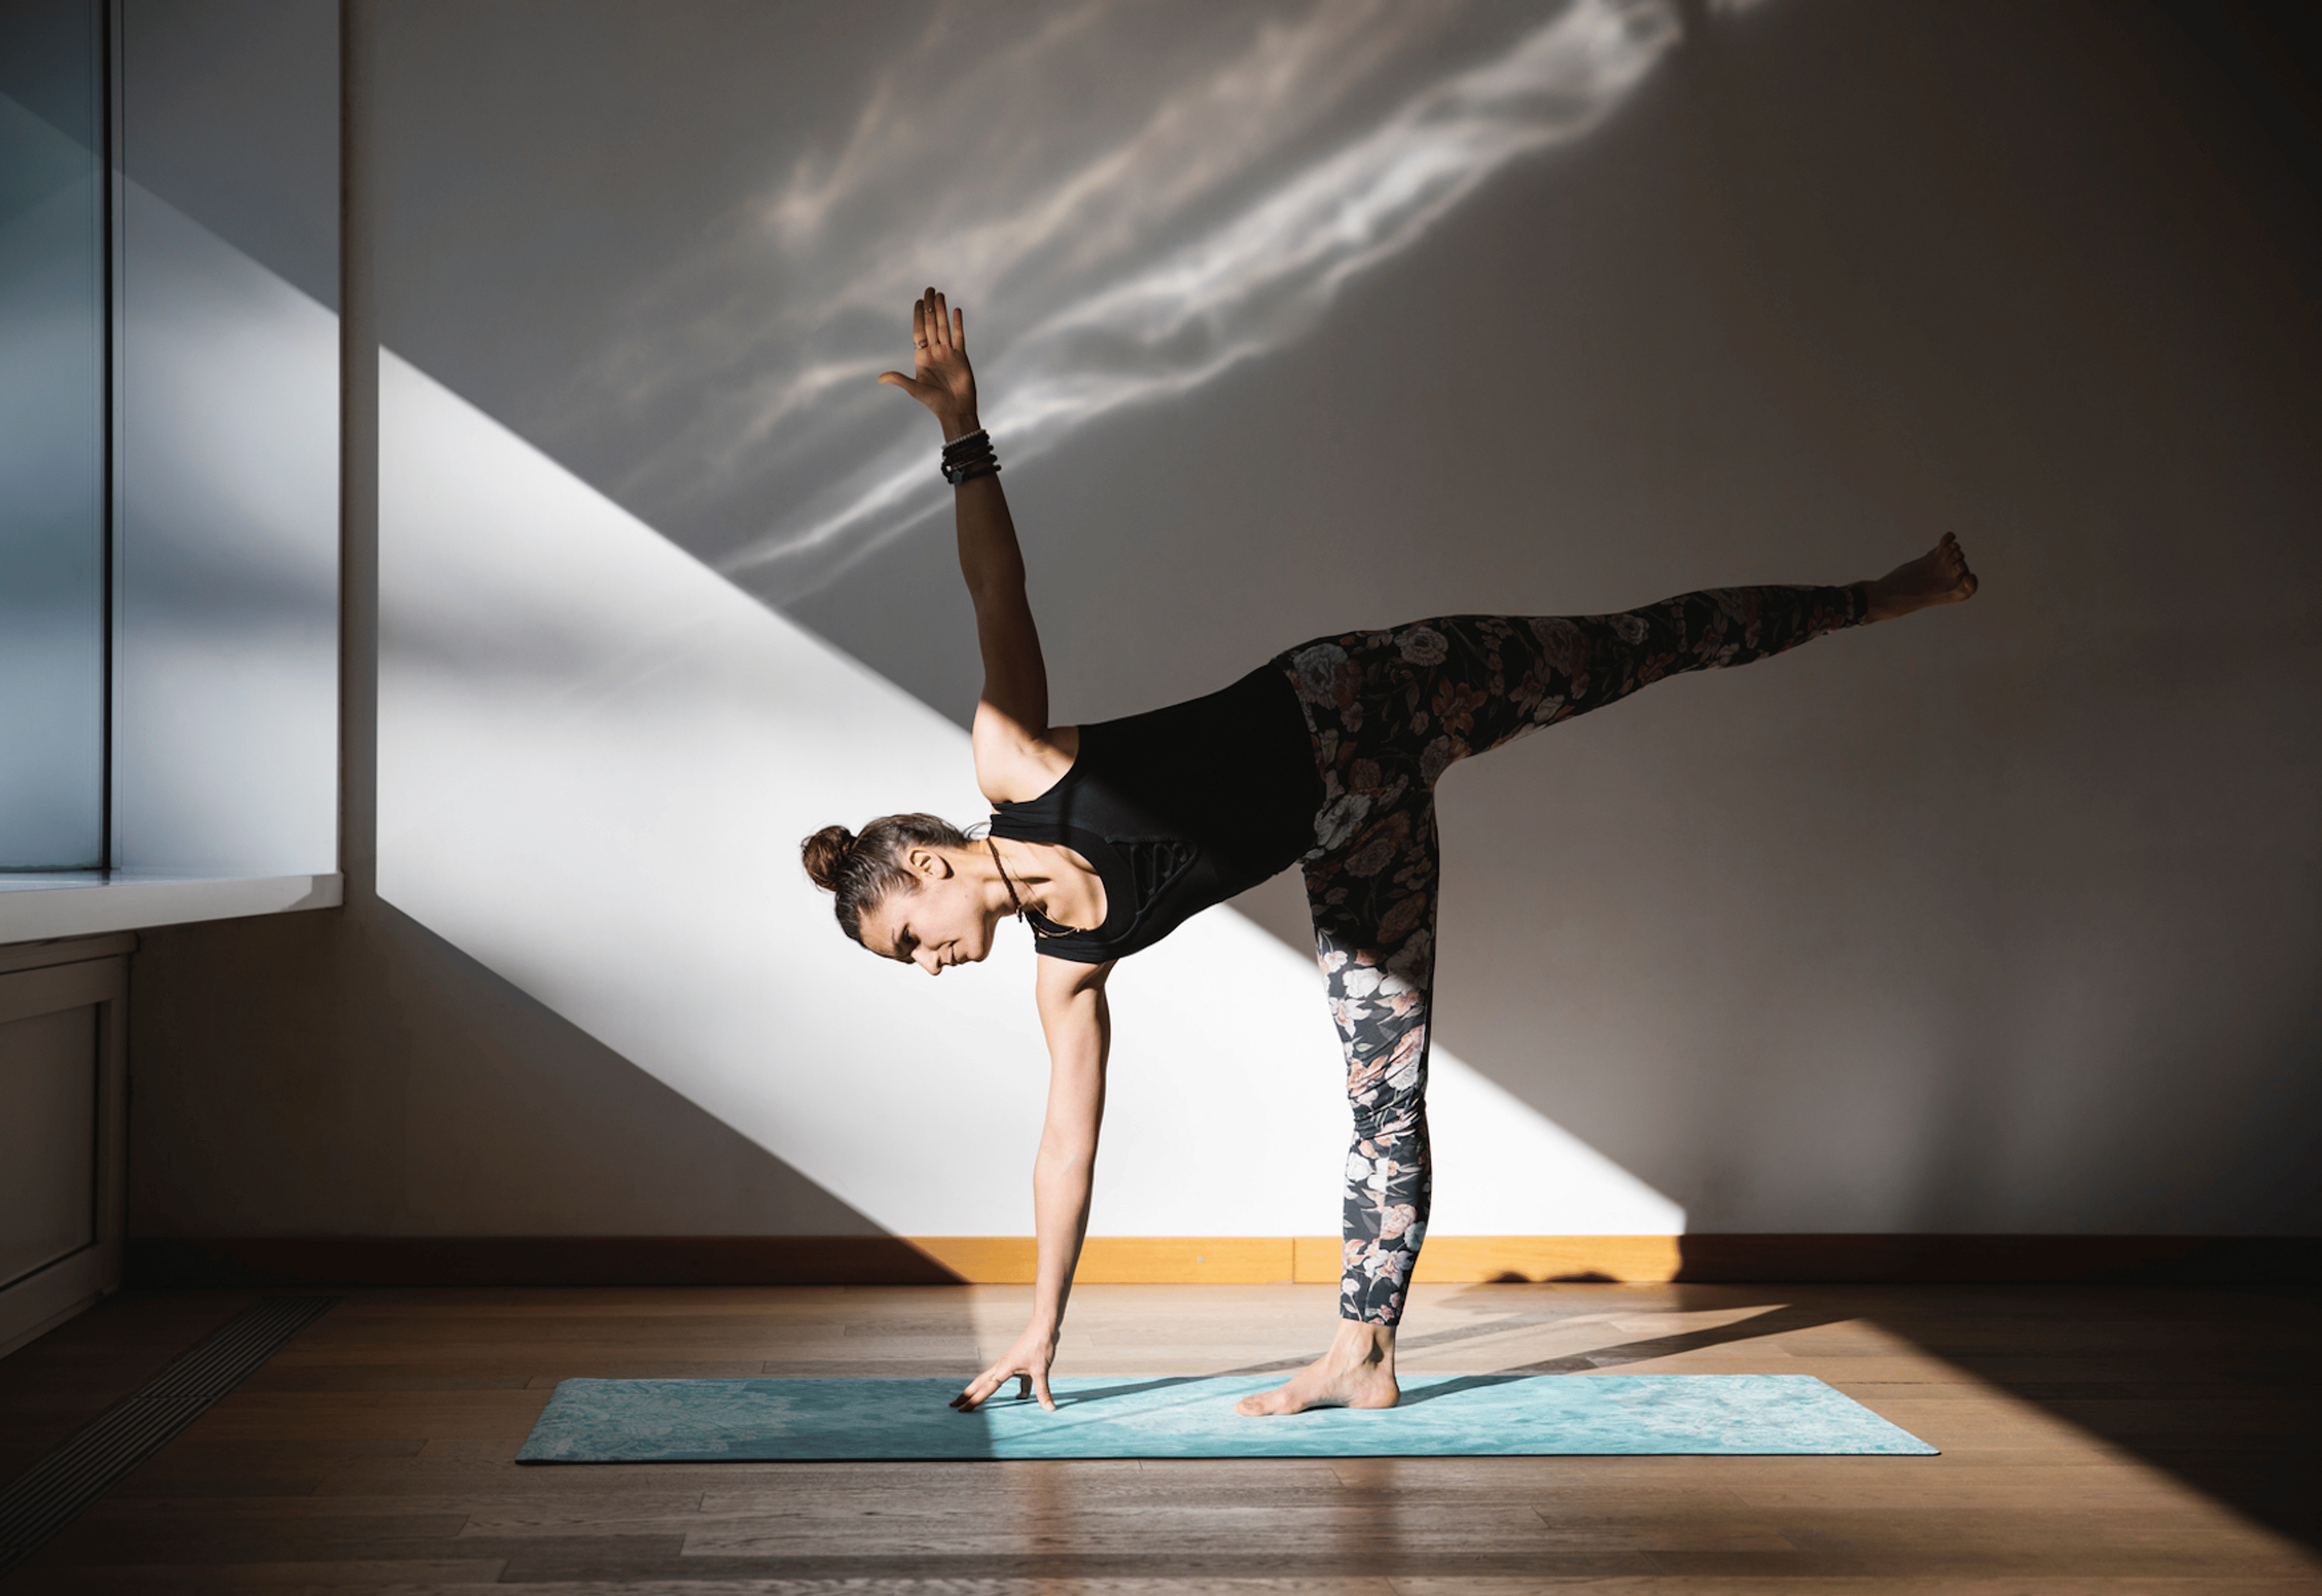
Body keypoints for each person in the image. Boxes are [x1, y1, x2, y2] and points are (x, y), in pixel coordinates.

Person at [801, 287, 1979, 1418]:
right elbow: (1066, 1149)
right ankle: (1365, 1356)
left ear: (929, 868)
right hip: (1359, 836)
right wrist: (1042, 1327)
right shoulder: (1068, 973)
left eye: (908, 943)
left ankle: (1873, 598)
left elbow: (996, 587)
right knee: (1384, 1090)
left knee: (1635, 646)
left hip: (1370, 694)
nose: (927, 967)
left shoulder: (1014, 765)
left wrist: (962, 433)